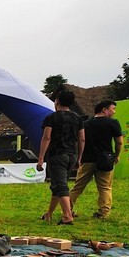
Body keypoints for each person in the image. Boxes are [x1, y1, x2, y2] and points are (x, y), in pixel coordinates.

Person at [36, 89, 85, 225]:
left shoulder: (51, 118)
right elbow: (81, 139)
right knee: (57, 185)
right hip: (72, 155)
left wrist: (40, 158)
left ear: (56, 101)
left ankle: (67, 216)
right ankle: (49, 214)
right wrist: (79, 157)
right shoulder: (78, 118)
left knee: (61, 185)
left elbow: (46, 138)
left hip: (57, 155)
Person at [69, 99, 124, 219]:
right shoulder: (113, 123)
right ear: (104, 110)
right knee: (105, 187)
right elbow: (119, 142)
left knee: (77, 187)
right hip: (105, 160)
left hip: (87, 159)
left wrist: (79, 157)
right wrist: (116, 155)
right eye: (113, 109)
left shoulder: (85, 124)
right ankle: (103, 213)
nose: (114, 112)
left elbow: (79, 141)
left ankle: (67, 210)